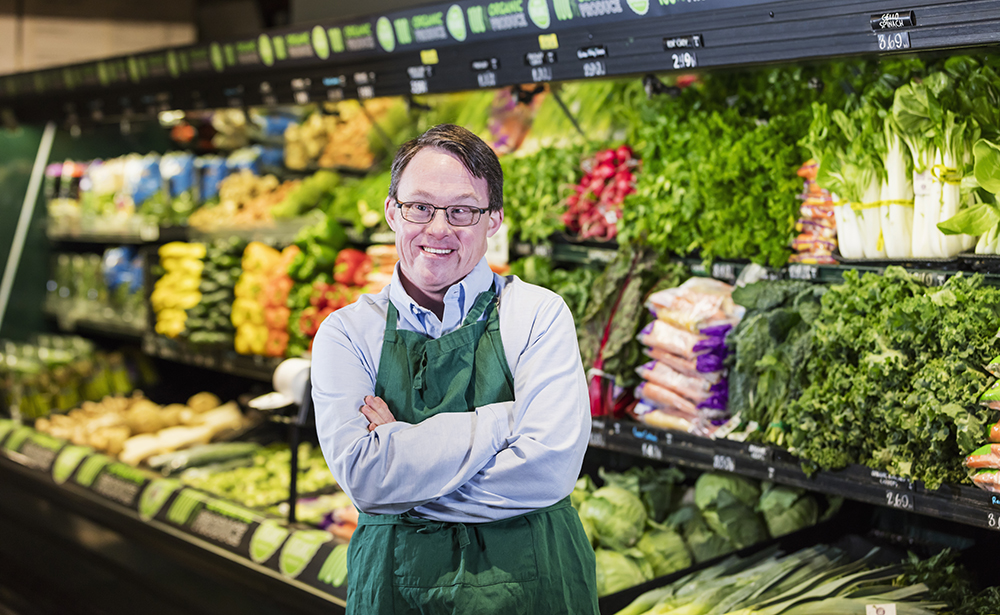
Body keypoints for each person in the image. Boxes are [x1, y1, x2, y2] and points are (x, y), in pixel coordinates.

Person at [311, 123, 598, 614]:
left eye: (462, 210)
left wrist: (404, 481)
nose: (438, 228)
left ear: (493, 221)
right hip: (396, 589)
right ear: (391, 213)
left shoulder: (537, 313)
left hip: (535, 589)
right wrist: (505, 422)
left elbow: (548, 473)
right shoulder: (346, 333)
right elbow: (366, 479)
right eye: (420, 207)